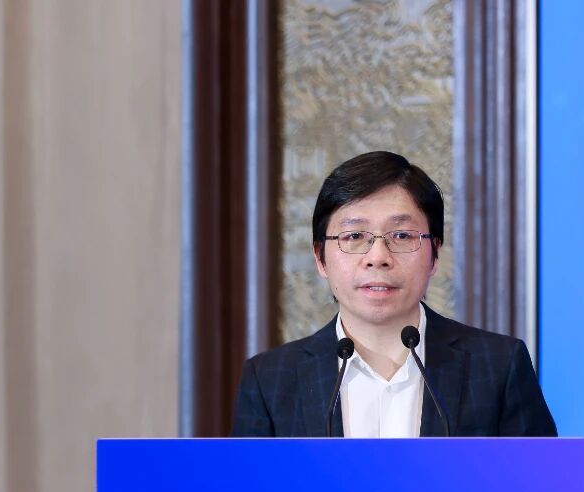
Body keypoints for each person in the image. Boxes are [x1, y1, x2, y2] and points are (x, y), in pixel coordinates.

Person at [230, 150, 556, 437]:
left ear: (435, 254)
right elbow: (248, 489)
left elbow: (538, 484)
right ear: (320, 257)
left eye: (401, 235)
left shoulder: (497, 366)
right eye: (354, 236)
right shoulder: (271, 381)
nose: (378, 257)